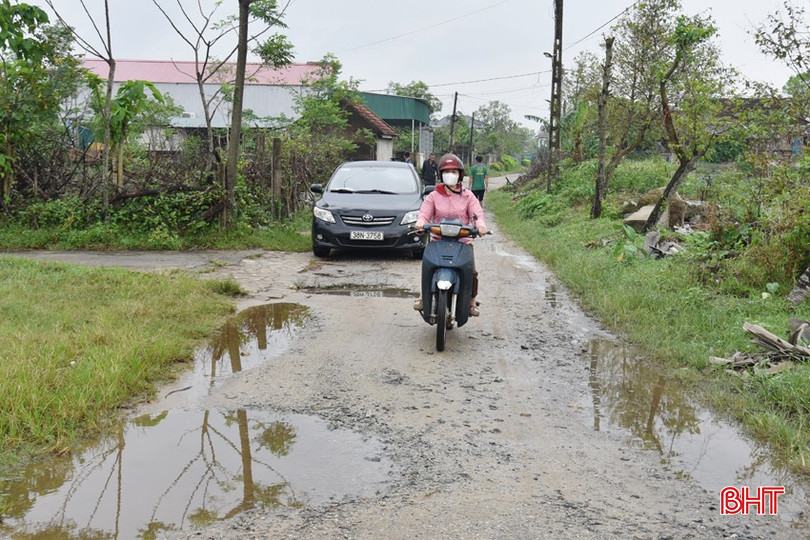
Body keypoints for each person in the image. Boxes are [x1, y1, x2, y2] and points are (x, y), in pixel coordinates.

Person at [413, 153, 488, 316]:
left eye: (454, 171)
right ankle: (423, 296)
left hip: (463, 241)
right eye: (447, 171)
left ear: (460, 174)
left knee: (472, 272)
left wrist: (480, 226)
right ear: (441, 174)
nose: (450, 174)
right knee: (428, 266)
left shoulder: (468, 196)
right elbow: (424, 214)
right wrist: (420, 223)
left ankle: (472, 301)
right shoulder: (433, 196)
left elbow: (477, 215)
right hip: (438, 240)